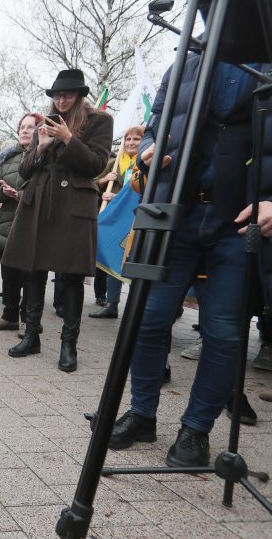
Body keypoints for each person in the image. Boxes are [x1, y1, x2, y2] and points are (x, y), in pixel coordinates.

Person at [108, 52, 272, 467]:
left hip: (238, 222)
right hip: (174, 214)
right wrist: (146, 149)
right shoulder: (183, 64)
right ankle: (142, 414)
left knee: (224, 334)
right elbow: (155, 125)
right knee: (148, 319)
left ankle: (195, 430)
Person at [2, 69, 113, 372]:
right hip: (39, 201)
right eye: (56, 95)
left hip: (73, 204)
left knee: (72, 276)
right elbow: (25, 171)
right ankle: (31, 334)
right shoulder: (43, 124)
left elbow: (97, 166)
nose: (60, 100)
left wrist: (68, 139)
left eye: (67, 94)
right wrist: (39, 148)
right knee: (33, 270)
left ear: (79, 95)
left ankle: (69, 344)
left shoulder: (100, 121)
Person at [0, 113, 39, 333]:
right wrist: (5, 193)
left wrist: (20, 195)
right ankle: (9, 317)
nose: (25, 131)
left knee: (30, 276)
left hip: (32, 223)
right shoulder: (7, 158)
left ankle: (29, 320)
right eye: (22, 127)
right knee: (8, 273)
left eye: (30, 127)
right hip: (7, 223)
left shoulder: (44, 156)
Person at [88, 125, 144, 319]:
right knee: (114, 256)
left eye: (136, 139)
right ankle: (112, 303)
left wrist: (117, 196)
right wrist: (104, 181)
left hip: (136, 217)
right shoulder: (115, 162)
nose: (130, 143)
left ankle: (140, 307)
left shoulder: (147, 163)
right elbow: (94, 182)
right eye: (128, 139)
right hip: (115, 219)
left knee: (136, 260)